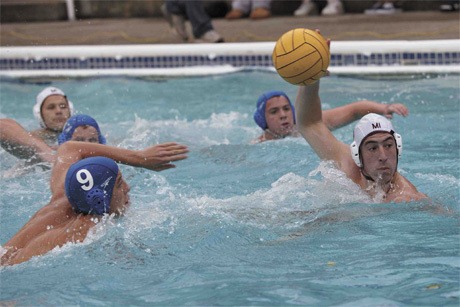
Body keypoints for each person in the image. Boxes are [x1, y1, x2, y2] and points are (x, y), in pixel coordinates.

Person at [0, 140, 189, 266]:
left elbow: (69, 148)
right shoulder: (83, 229)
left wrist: (139, 158)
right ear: (99, 199)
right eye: (119, 183)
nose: (128, 188)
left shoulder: (66, 195)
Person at [294, 70, 427, 202]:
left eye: (388, 145)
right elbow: (308, 124)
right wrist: (311, 80)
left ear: (398, 147)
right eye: (372, 148)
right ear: (357, 155)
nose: (383, 156)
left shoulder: (406, 198)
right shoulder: (346, 163)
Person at [253, 90, 409, 143]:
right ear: (262, 119)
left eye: (286, 109)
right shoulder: (260, 144)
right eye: (274, 112)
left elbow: (354, 110)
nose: (283, 115)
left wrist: (384, 108)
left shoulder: (306, 125)